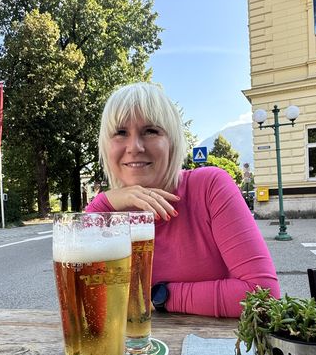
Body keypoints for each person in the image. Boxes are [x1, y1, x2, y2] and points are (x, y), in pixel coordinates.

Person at [85, 82, 280, 318]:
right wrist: (106, 201)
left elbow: (262, 295)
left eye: (150, 131)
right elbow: (86, 296)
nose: (134, 147)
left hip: (211, 349)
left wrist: (159, 296)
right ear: (106, 145)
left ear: (172, 142)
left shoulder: (209, 187)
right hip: (129, 352)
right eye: (120, 133)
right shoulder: (107, 212)